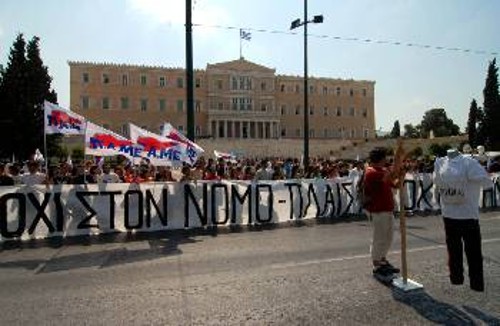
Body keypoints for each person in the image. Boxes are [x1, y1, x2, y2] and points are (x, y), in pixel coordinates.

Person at [433, 148, 492, 292]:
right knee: (472, 252)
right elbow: (487, 183)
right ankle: (475, 283)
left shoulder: (441, 163)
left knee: (454, 250)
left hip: (450, 213)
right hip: (466, 214)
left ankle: (457, 278)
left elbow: (437, 183)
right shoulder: (468, 163)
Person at [363, 147, 403, 277]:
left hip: (387, 208)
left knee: (388, 237)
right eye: (385, 157)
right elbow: (391, 175)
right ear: (380, 159)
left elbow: (394, 183)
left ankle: (382, 260)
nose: (386, 159)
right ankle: (377, 263)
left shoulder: (382, 170)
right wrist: (398, 160)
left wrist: (400, 180)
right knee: (379, 238)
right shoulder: (371, 172)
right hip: (378, 210)